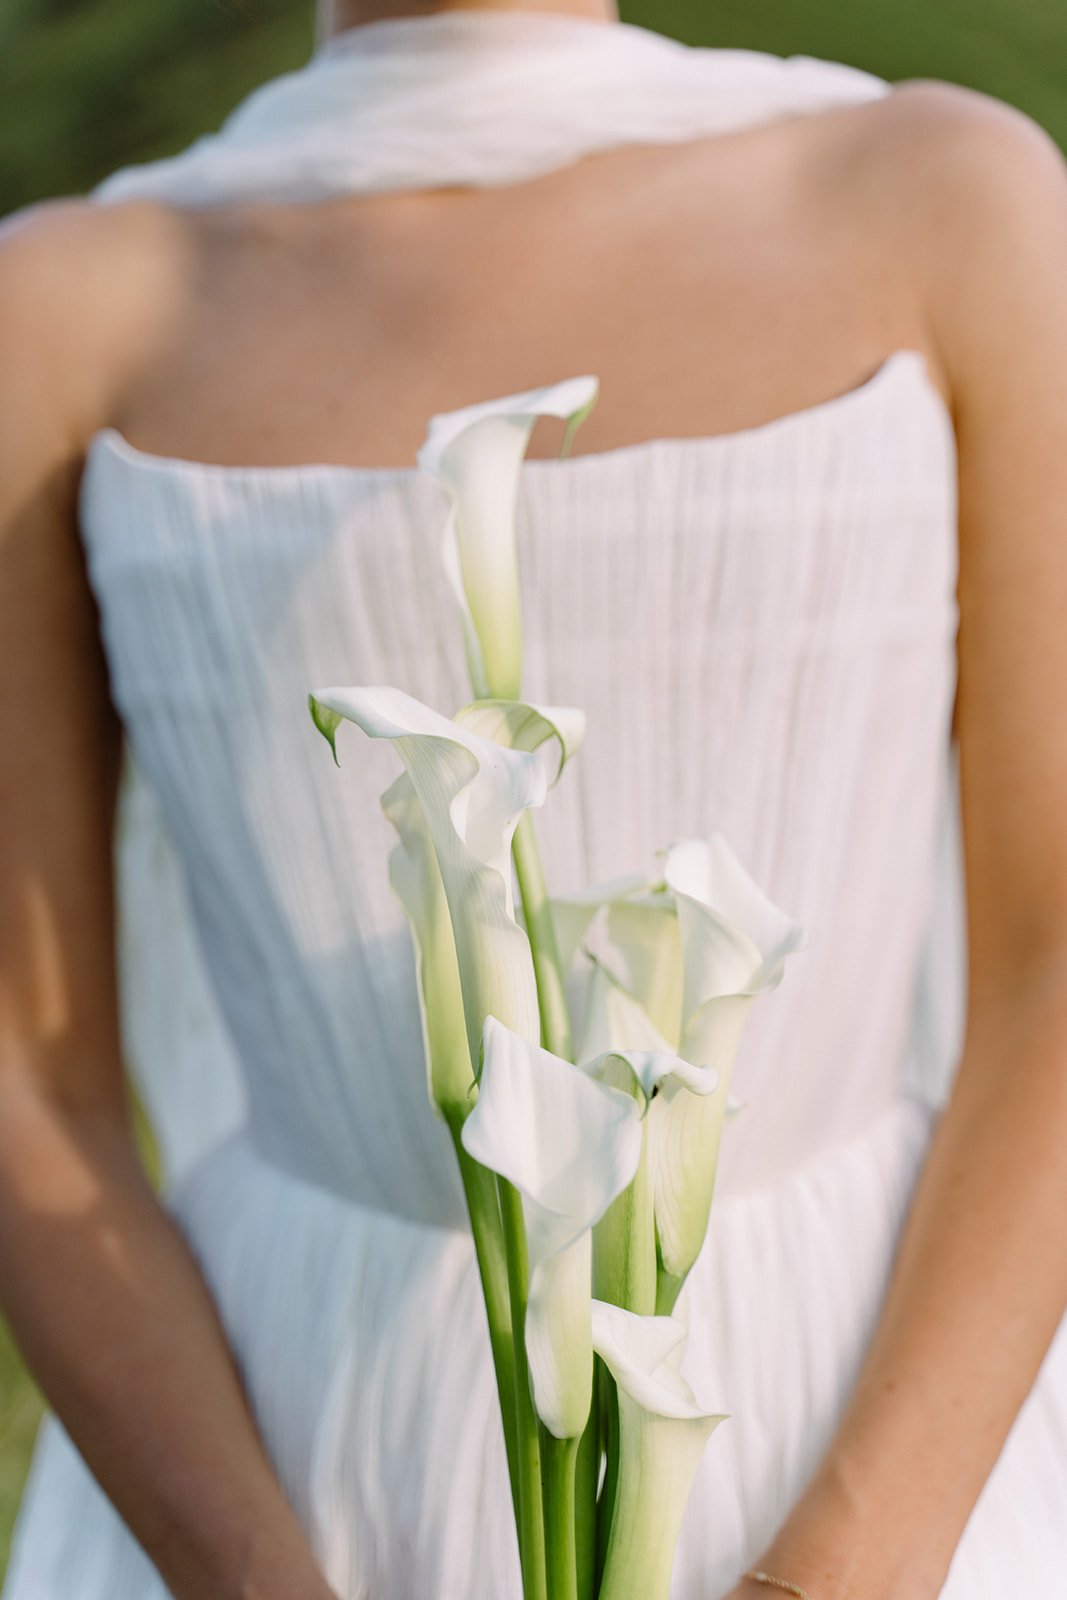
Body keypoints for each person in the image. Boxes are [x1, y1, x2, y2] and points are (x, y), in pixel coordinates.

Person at [2, 1, 1067, 1596]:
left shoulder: (944, 198)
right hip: (289, 1454)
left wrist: (842, 1567)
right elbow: (26, 1064)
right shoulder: (58, 308)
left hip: (874, 1419)